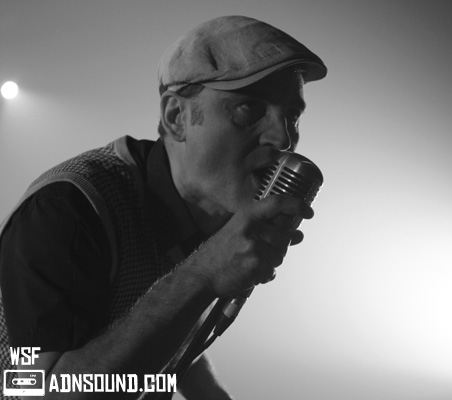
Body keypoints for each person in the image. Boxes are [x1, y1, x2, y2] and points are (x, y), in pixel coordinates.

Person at [0, 15, 327, 399]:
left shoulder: (210, 209)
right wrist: (203, 273)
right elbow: (37, 390)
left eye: (291, 114)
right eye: (249, 108)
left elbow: (158, 328)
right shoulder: (69, 209)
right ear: (176, 117)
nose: (283, 137)